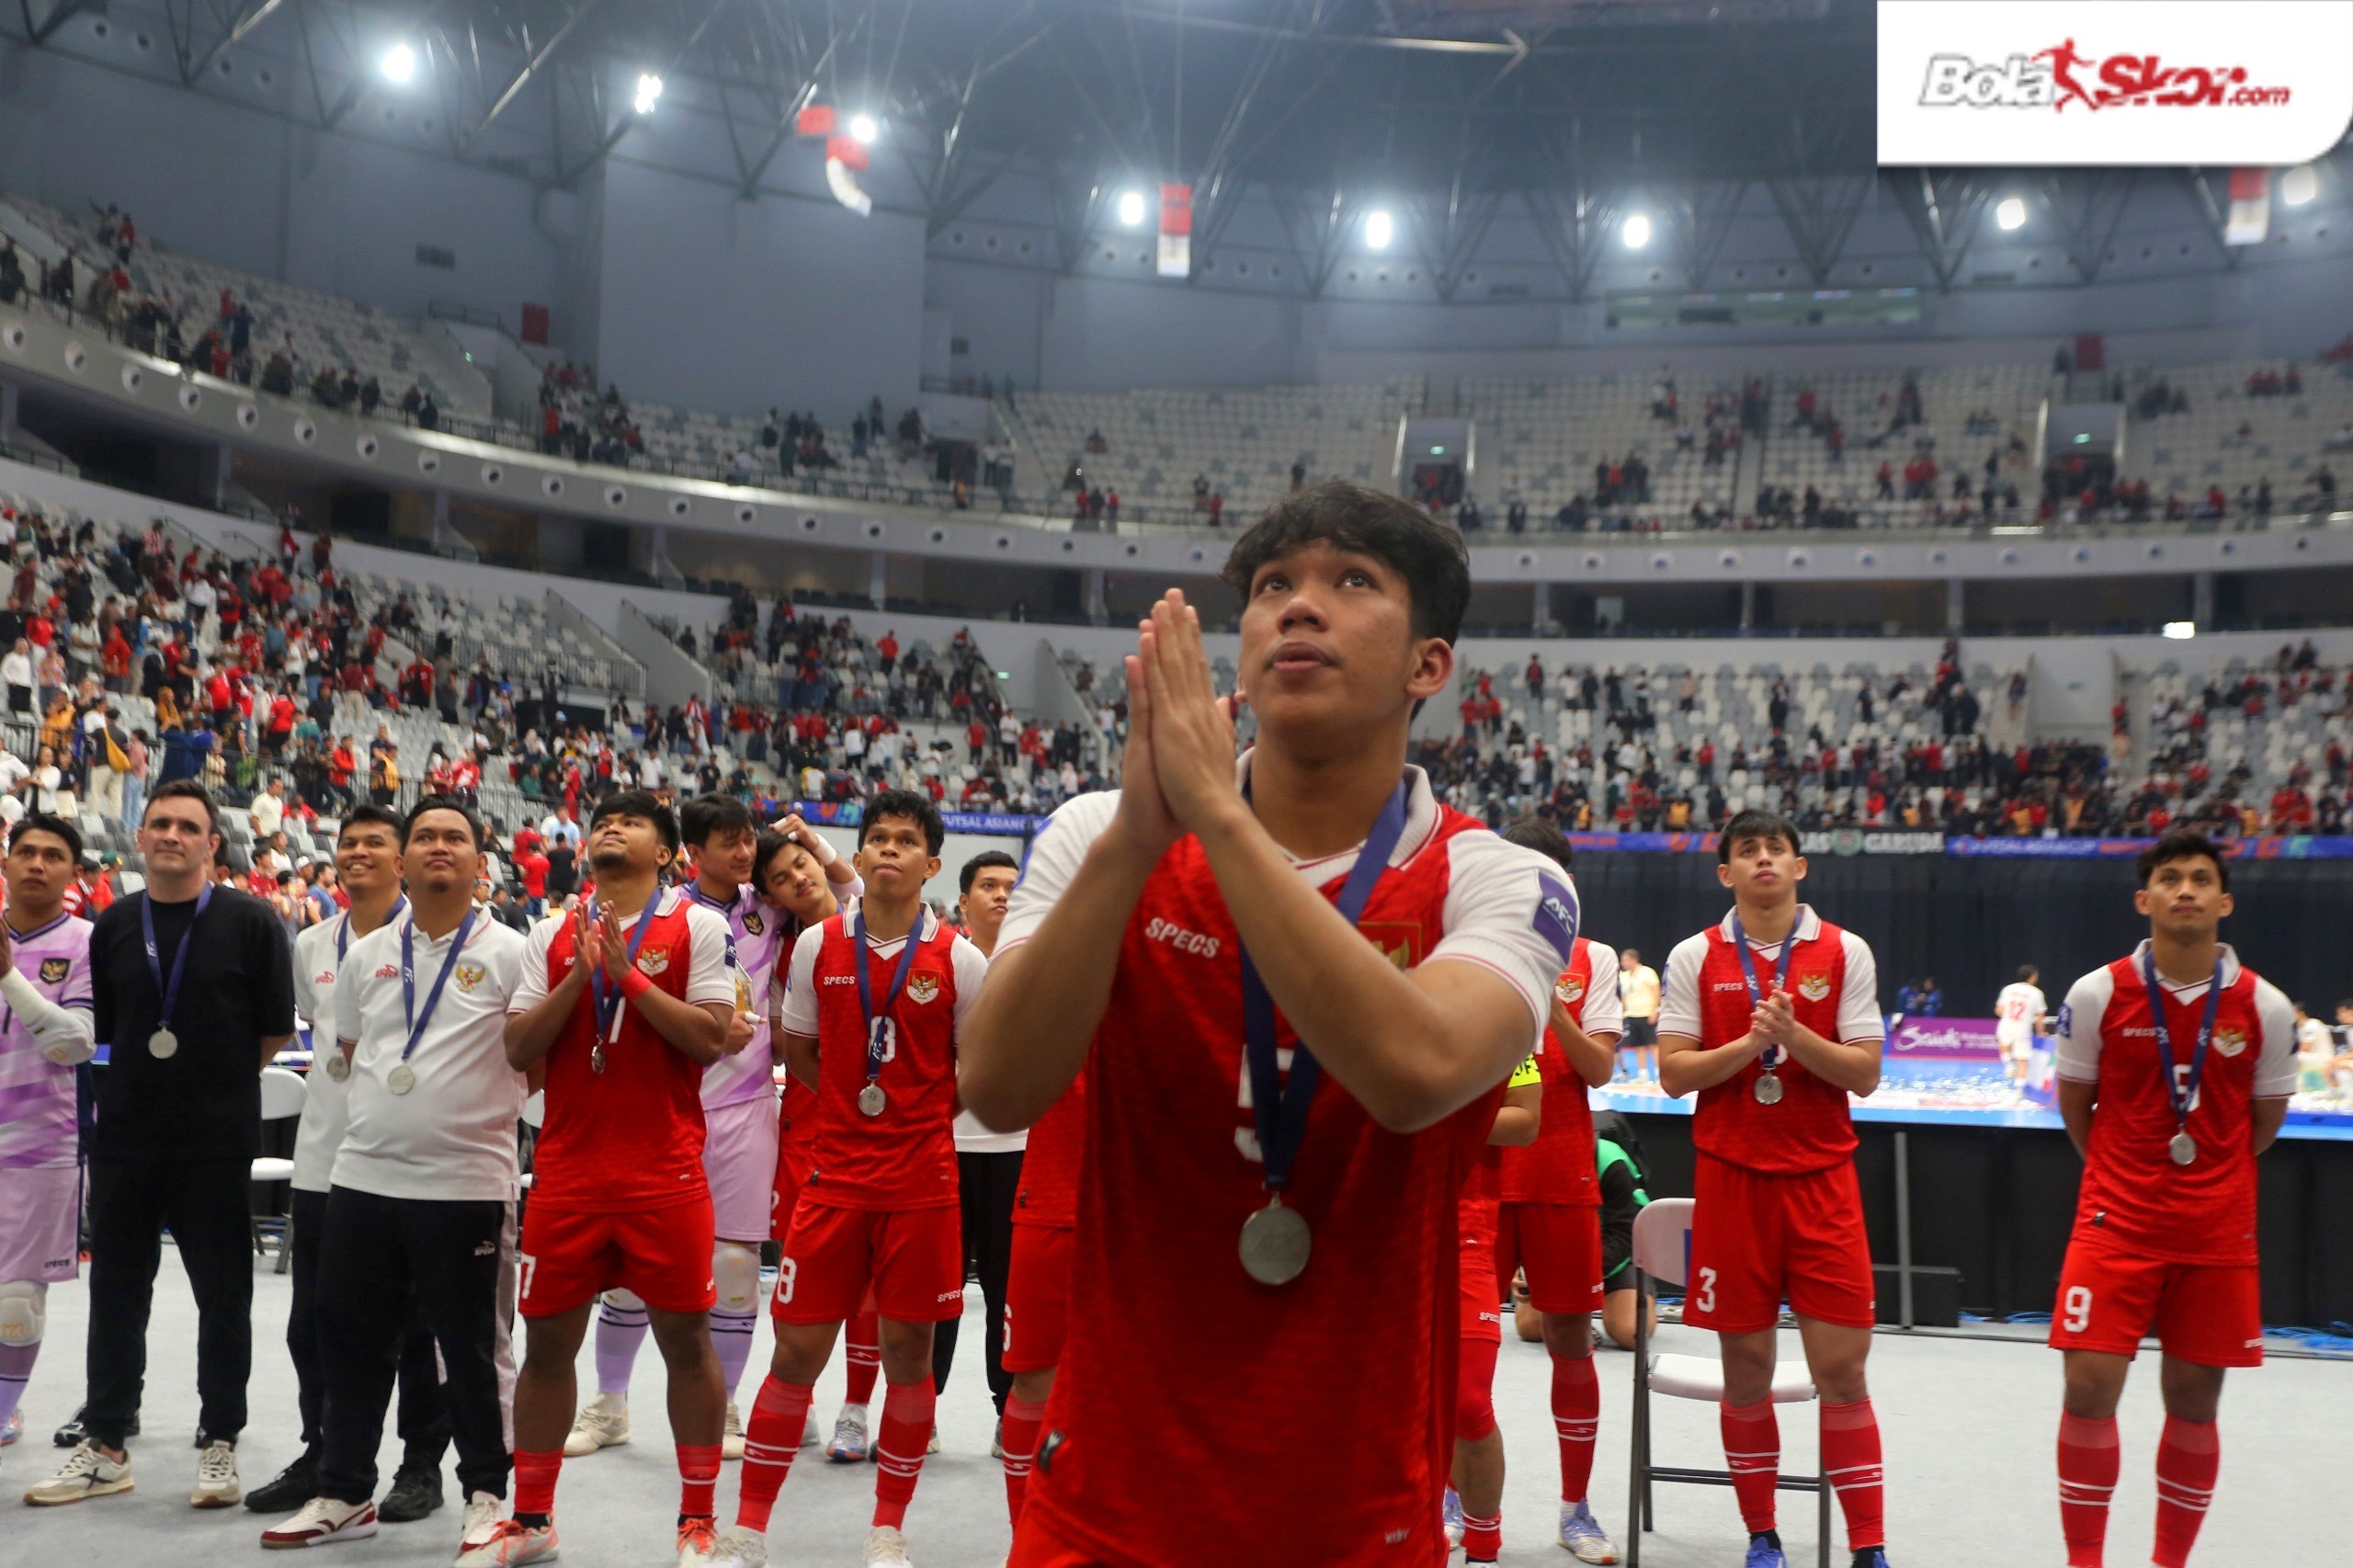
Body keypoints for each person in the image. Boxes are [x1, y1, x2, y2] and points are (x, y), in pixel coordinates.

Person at [959, 483, 1574, 1565]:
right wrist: (1139, 840)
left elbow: (1416, 1070)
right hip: (1105, 1494)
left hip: (1355, 1503)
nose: (1299, 604)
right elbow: (998, 1086)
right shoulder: (1100, 832)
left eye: (1351, 580)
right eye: (1273, 584)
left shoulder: (1500, 878)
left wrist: (1215, 816)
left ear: (1428, 664)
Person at [715, 791, 988, 1568]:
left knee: (909, 1355)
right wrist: (853, 1107)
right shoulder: (817, 946)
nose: (891, 849)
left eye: (908, 840)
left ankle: (887, 1529)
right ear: (859, 856)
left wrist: (916, 1117)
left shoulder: (960, 959)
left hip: (922, 1186)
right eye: (879, 838)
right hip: (834, 1179)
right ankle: (749, 1531)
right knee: (795, 1355)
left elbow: (972, 1070)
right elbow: (800, 1052)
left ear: (932, 864)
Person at [260, 798, 529, 1558]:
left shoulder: (512, 953)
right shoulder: (367, 954)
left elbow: (534, 1061)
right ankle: (345, 1491)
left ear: (480, 861)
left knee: (468, 1350)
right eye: (425, 836)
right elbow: (351, 1050)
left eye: (456, 837)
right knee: (349, 1341)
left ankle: (486, 1495)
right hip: (362, 1177)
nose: (439, 846)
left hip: (465, 1184)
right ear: (404, 860)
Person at [484, 791, 739, 1568]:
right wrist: (580, 978)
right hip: (567, 1173)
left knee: (687, 1343)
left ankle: (697, 1522)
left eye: (630, 823)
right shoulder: (552, 931)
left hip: (665, 1173)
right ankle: (533, 1519)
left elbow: (710, 1039)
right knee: (546, 1345)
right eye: (602, 823)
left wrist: (627, 979)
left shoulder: (698, 926)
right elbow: (518, 1048)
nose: (610, 830)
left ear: (664, 853)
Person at [27, 781, 296, 1509]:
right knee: (117, 1293)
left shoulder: (252, 921)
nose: (172, 835)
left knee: (223, 1295)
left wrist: (213, 1084)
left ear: (213, 843)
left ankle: (221, 1437)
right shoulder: (115, 924)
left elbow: (275, 1026)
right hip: (127, 1138)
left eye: (188, 826)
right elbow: (107, 1030)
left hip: (215, 1142)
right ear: (140, 838)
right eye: (160, 824)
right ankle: (107, 1441)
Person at [569, 801, 850, 1464]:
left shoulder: (768, 904)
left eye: (748, 840)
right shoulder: (661, 915)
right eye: (729, 844)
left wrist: (814, 843)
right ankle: (610, 1403)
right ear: (692, 853)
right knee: (630, 1266)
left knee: (735, 1266)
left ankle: (723, 1408)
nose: (745, 853)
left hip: (746, 1108)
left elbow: (846, 895)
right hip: (667, 1106)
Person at [2047, 831, 2296, 1568]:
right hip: (2115, 1221)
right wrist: (2123, 1172)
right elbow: (2076, 1107)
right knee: (2088, 1387)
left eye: (2200, 879)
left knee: (2193, 1400)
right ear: (2143, 899)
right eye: (2170, 878)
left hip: (2216, 1230)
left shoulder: (2266, 1006)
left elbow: (2262, 1124)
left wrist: (2205, 1176)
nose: (2185, 890)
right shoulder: (2096, 993)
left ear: (2224, 902)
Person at [1655, 809, 1893, 1568]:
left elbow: (1865, 1073)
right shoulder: (1695, 955)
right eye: (1748, 850)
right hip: (1732, 1183)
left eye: (1777, 849)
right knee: (1747, 1372)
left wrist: (1793, 1038)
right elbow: (1672, 1075)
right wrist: (1751, 1043)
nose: (1764, 859)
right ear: (1726, 872)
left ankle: (1868, 1549)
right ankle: (1763, 1537)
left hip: (1823, 1181)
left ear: (1800, 867)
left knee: (1843, 1372)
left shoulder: (1844, 950)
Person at [243, 806, 449, 1523]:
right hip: (324, 1161)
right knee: (316, 1325)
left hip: (411, 1165)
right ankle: (324, 1454)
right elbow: (317, 1026)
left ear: (403, 860)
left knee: (420, 1331)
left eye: (374, 843)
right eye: (349, 843)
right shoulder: (311, 944)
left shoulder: (433, 941)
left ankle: (421, 1465)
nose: (357, 852)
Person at [1493, 817, 1622, 1562]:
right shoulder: (1467, 947)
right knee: (1460, 1341)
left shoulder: (1592, 958)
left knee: (1571, 1340)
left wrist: (1552, 1001)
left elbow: (1599, 1069)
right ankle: (1451, 1498)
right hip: (1480, 1174)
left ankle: (1576, 1510)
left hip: (1562, 1171)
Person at [0, 816, 98, 1464]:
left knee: (15, 1301)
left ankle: (1, 1412)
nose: (37, 864)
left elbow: (76, 1044)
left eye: (53, 856)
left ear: (72, 873)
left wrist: (9, 976)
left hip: (43, 1145)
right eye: (26, 852)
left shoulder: (87, 941)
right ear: (7, 863)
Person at [932, 850, 1025, 1446]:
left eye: (1012, 886)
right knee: (935, 1288)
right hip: (945, 1146)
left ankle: (1007, 1410)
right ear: (963, 901)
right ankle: (920, 1408)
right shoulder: (939, 962)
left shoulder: (1041, 967)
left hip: (1018, 1147)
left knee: (1006, 1289)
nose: (1002, 895)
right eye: (988, 885)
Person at [1444, 1046, 1543, 1568]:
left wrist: (1429, 1117)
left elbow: (1525, 1121)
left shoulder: (1502, 1025)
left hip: (1466, 1234)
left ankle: (1484, 1548)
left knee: (1468, 1403)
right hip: (1385, 1229)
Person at [1996, 964, 2051, 1087]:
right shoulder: (2036, 993)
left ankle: (2009, 1064)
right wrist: (2041, 1033)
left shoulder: (2008, 989)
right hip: (2023, 1028)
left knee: (2004, 1044)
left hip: (2006, 1024)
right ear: (2032, 977)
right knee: (2022, 1061)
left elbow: (1998, 1010)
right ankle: (2020, 1091)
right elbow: (2040, 1016)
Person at [1619, 947, 1660, 1081]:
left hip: (1646, 1013)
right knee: (1638, 1045)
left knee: (1652, 1044)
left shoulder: (1647, 972)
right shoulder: (1623, 975)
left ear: (1634, 960)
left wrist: (1655, 1010)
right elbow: (1624, 995)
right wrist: (1622, 1012)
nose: (1623, 963)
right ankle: (1643, 1074)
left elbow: (1656, 991)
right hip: (1631, 1014)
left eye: (1625, 960)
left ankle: (1659, 1073)